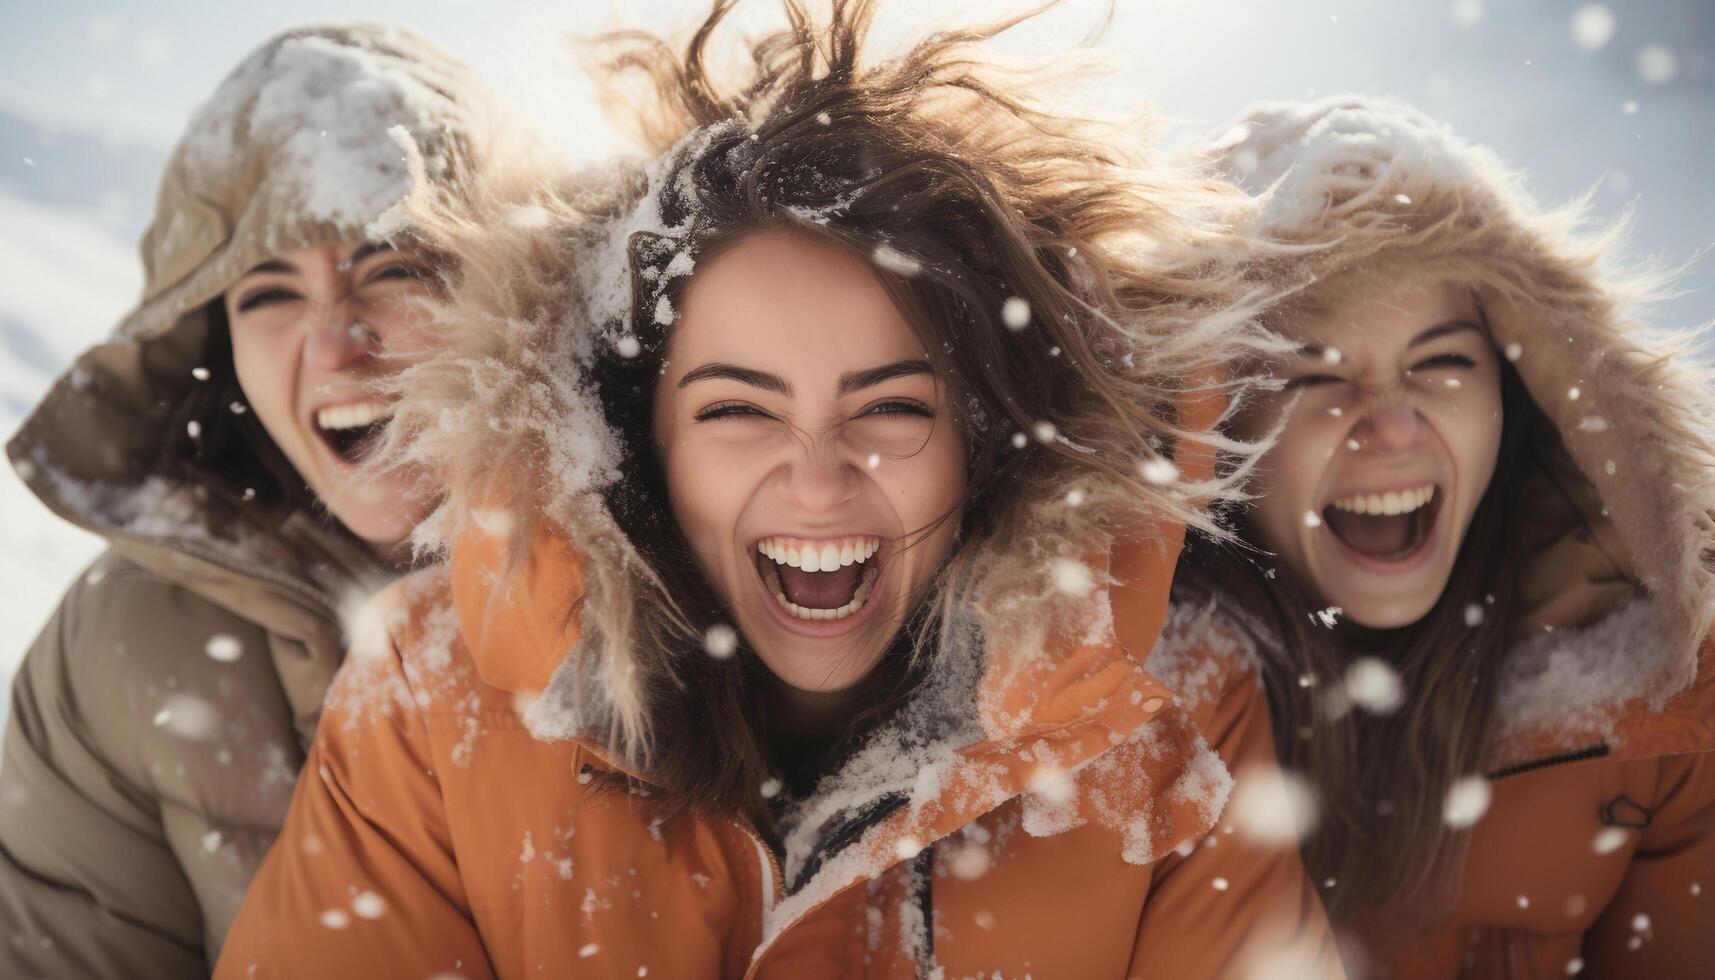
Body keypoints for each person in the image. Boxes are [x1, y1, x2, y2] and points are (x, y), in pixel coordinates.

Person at [215, 3, 1343, 977]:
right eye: (735, 410)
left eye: (893, 407)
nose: (816, 478)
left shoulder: (1170, 709)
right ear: (634, 442)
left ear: (986, 443)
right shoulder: (433, 698)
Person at [1175, 95, 1715, 976]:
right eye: (1313, 373)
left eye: (1441, 362)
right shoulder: (1109, 717)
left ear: (1520, 387)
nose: (1389, 425)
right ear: (1213, 424)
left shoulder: (1661, 696)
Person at [0, 23, 496, 977]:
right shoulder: (121, 648)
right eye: (269, 293)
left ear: (505, 286)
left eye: (394, 265)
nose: (335, 342)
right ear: (216, 349)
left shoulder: (667, 580)